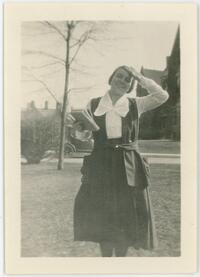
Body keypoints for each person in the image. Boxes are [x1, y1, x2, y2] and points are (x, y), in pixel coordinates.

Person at [73, 65, 169, 257]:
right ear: (111, 77)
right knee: (103, 214)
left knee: (126, 214)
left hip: (128, 165)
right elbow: (84, 136)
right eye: (119, 76)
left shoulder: (136, 104)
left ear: (130, 86)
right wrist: (77, 127)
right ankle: (107, 261)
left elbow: (162, 96)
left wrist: (140, 77)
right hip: (101, 165)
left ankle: (121, 262)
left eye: (127, 80)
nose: (122, 81)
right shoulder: (93, 105)